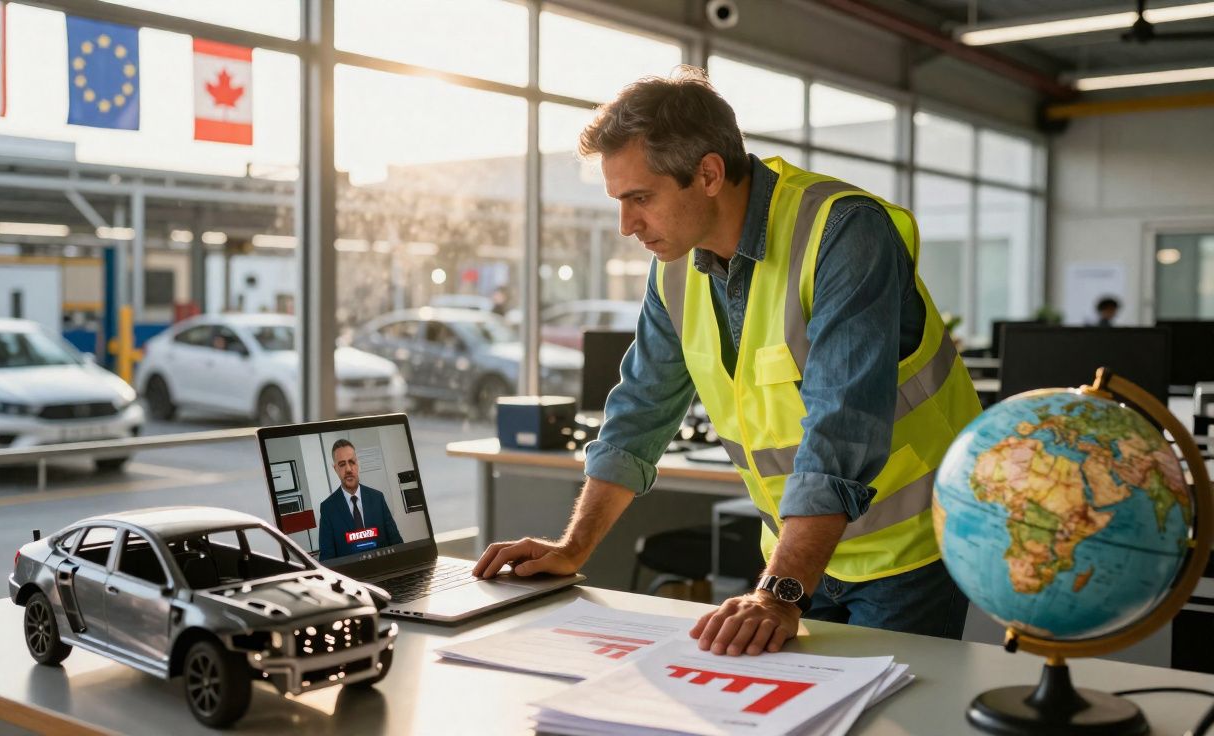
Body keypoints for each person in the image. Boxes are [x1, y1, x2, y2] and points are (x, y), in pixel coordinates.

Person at [474, 66, 981, 657]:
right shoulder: (675, 268)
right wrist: (573, 547)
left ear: (709, 174)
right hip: (797, 554)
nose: (626, 224)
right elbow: (639, 411)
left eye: (641, 198)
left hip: (911, 552)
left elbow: (844, 423)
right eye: (619, 201)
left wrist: (782, 591)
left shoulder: (843, 232)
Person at [318, 439, 404, 559]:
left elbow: (397, 543)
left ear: (357, 464)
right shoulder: (328, 508)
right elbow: (327, 558)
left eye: (352, 462)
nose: (348, 469)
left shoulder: (377, 498)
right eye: (342, 464)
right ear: (335, 469)